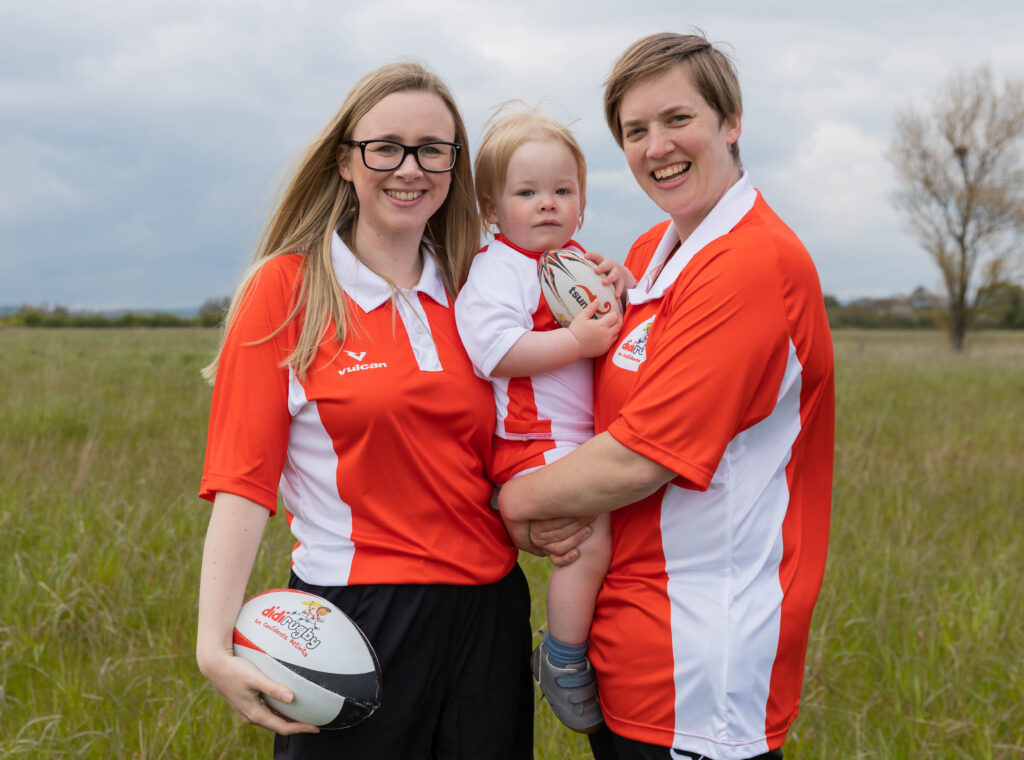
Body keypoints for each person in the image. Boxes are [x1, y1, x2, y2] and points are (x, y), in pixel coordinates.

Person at [195, 62, 583, 760]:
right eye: (387, 147)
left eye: (434, 149)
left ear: (455, 166)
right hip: (356, 617)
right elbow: (242, 480)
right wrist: (212, 644)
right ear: (345, 160)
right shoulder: (286, 289)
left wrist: (533, 511)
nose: (411, 168)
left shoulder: (476, 288)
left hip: (487, 614)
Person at [499, 32, 835, 760]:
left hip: (699, 666)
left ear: (732, 119)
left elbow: (635, 461)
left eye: (678, 119)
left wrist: (514, 505)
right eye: (635, 131)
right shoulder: (652, 253)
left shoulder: (752, 261)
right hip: (628, 643)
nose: (657, 147)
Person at [454, 103, 632, 734]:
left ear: (582, 200)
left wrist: (623, 277)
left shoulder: (577, 257)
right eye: (527, 192)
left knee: (609, 539)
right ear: (493, 210)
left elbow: (614, 310)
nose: (548, 204)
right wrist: (576, 344)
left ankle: (580, 640)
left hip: (578, 437)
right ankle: (561, 655)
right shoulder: (497, 269)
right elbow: (493, 352)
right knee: (588, 545)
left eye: (563, 190)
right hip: (535, 440)